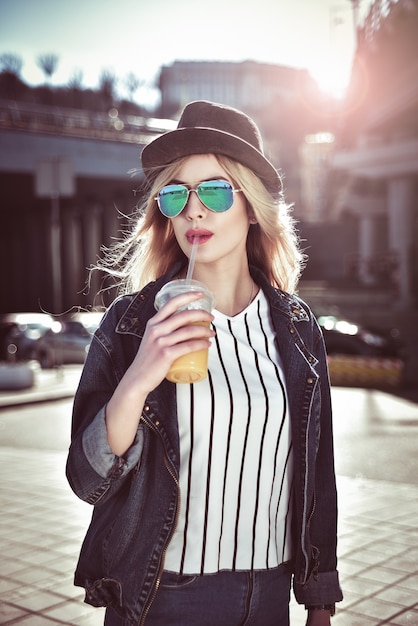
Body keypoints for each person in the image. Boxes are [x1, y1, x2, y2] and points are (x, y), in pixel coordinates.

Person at [66, 100, 343, 626]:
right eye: (176, 194)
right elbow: (86, 478)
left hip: (270, 596)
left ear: (251, 205)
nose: (194, 210)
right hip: (161, 596)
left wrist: (319, 600)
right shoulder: (131, 324)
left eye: (214, 190)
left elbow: (316, 477)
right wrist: (140, 375)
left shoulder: (299, 329)